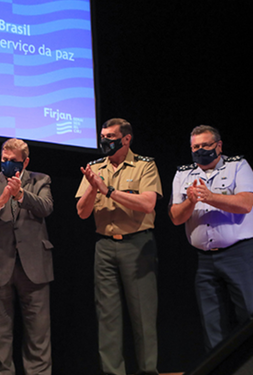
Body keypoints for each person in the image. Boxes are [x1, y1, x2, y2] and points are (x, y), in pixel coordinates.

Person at [75, 118, 162, 375]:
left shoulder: (144, 165)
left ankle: (148, 371)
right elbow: (81, 212)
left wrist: (109, 190)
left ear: (126, 139)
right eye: (102, 137)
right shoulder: (94, 167)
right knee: (108, 317)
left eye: (111, 137)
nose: (105, 142)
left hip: (137, 245)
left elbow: (148, 204)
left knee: (143, 316)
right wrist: (93, 188)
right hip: (104, 246)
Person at [168, 125, 253, 351]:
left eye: (205, 145)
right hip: (205, 260)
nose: (200, 150)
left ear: (218, 146)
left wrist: (210, 197)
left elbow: (245, 203)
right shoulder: (184, 173)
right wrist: (190, 202)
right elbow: (175, 217)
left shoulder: (238, 166)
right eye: (195, 147)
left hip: (239, 254)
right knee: (212, 322)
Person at [0, 138, 54, 375]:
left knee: (38, 333)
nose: (7, 164)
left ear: (25, 161)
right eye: (4, 160)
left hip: (34, 266)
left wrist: (19, 195)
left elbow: (46, 207)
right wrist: (0, 201)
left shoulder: (41, 180)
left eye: (13, 161)